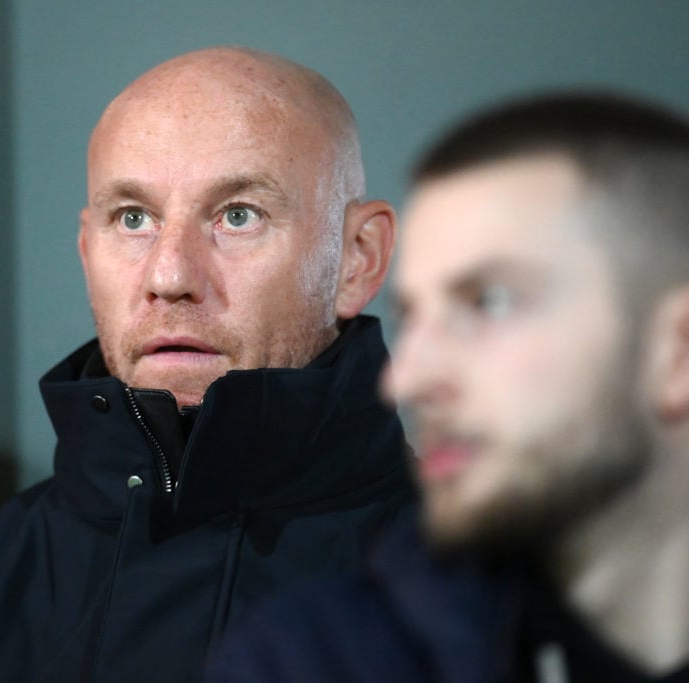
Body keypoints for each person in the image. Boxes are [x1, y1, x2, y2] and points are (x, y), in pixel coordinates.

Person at [0, 46, 414, 682]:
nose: (169, 275)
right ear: (86, 253)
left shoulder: (510, 591)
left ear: (358, 259)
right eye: (134, 219)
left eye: (237, 216)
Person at [205, 92, 689, 682]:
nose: (406, 379)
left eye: (489, 302)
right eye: (411, 315)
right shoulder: (304, 661)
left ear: (677, 353)